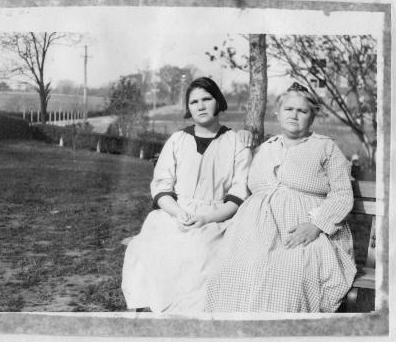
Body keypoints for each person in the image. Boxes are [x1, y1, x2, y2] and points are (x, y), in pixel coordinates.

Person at [205, 82, 357, 313]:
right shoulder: (264, 148)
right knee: (231, 269)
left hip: (303, 231)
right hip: (254, 231)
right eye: (289, 109)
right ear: (278, 113)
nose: (294, 115)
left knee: (287, 276)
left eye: (302, 111)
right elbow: (235, 176)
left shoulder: (325, 147)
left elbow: (342, 194)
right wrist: (241, 139)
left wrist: (316, 225)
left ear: (312, 117)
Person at [122, 77, 252, 313]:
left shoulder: (235, 143)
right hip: (175, 213)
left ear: (219, 101)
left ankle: (188, 317)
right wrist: (178, 212)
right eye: (194, 102)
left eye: (207, 99)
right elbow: (162, 186)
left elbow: (238, 194)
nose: (200, 106)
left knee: (200, 254)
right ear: (188, 107)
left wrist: (206, 219)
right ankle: (155, 311)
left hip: (217, 218)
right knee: (152, 247)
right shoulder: (178, 140)